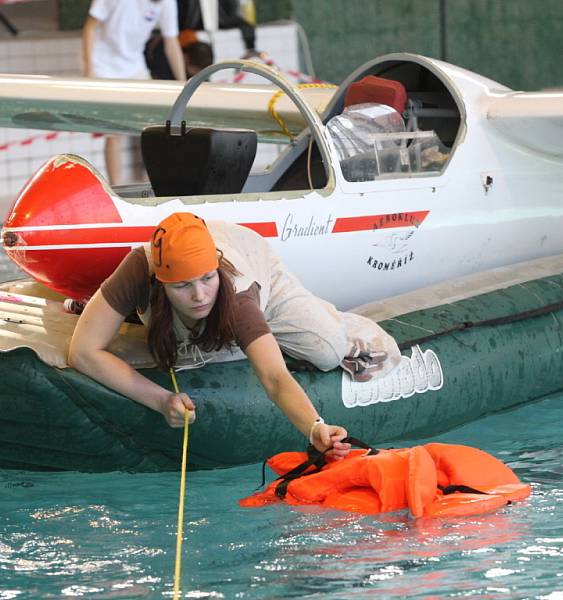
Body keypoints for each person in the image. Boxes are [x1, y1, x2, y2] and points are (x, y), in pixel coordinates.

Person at [68, 212, 402, 458]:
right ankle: (109, 305)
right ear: (160, 281)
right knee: (180, 341)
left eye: (205, 279)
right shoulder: (139, 270)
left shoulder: (237, 294)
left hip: (256, 267)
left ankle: (310, 319)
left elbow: (273, 378)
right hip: (190, 262)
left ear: (216, 271)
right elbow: (82, 352)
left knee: (327, 350)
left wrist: (315, 428)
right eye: (183, 286)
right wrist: (161, 399)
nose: (199, 295)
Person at [82, 0, 186, 186]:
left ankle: (152, 180)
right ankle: (116, 188)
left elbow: (171, 41)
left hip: (135, 66)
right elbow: (90, 27)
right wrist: (89, 69)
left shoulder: (167, 2)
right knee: (114, 133)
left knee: (154, 125)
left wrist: (185, 83)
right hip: (104, 66)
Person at [145, 28, 213, 80]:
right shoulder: (164, 59)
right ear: (185, 58)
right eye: (196, 71)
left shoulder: (187, 40)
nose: (197, 76)